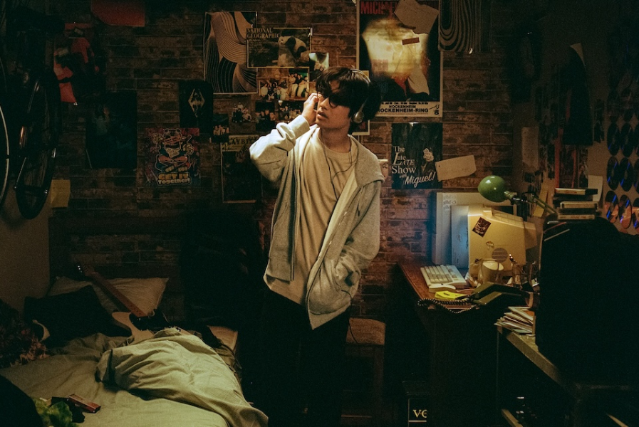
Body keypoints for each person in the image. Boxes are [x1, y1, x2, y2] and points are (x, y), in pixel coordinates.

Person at [249, 67, 384, 427]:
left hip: (329, 299)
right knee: (275, 389)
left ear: (356, 113)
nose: (324, 104)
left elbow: (365, 242)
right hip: (281, 288)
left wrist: (337, 278)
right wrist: (299, 122)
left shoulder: (367, 168)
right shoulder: (297, 145)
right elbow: (260, 156)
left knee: (324, 392)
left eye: (336, 100)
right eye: (323, 94)